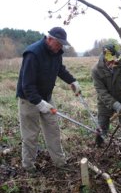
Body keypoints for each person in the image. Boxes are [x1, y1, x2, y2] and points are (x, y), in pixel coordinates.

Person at [16, 27, 81, 172]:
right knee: (30, 135)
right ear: (49, 39)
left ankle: (60, 163)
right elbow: (27, 85)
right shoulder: (33, 54)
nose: (60, 47)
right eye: (58, 43)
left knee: (53, 129)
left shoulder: (56, 52)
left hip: (47, 97)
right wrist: (38, 103)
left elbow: (60, 69)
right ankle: (28, 167)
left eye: (62, 45)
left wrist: (72, 81)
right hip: (28, 100)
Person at [91, 43, 121, 164]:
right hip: (105, 103)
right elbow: (101, 92)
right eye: (109, 61)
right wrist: (115, 105)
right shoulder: (96, 70)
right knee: (102, 127)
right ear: (104, 57)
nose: (112, 64)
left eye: (113, 61)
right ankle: (99, 147)